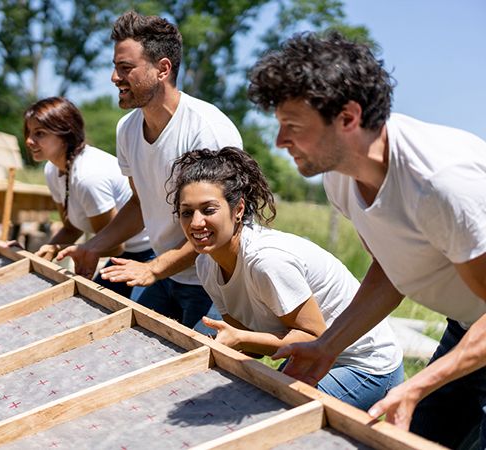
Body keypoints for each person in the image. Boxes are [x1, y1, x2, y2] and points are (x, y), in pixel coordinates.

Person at [247, 31, 486, 447]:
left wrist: (416, 384)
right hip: (469, 330)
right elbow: (390, 273)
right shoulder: (341, 178)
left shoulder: (442, 184)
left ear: (348, 118)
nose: (280, 141)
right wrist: (327, 346)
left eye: (293, 126)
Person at [168, 147, 403, 411]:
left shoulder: (267, 261)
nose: (196, 222)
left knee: (275, 416)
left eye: (208, 210)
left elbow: (314, 339)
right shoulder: (206, 264)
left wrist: (240, 341)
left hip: (363, 364)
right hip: (310, 358)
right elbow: (250, 343)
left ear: (238, 209)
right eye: (187, 212)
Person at [57, 11, 243, 329]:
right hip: (165, 273)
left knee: (197, 375)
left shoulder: (206, 131)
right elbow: (140, 203)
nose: (114, 78)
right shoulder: (127, 129)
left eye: (125, 68)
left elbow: (219, 227)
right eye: (115, 67)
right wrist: (92, 247)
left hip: (215, 281)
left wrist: (154, 268)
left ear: (162, 69)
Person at [23, 96, 153, 299]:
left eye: (39, 133)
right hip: (120, 253)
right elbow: (71, 228)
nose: (29, 141)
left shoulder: (88, 177)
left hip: (148, 253)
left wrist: (61, 249)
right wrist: (44, 252)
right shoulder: (52, 169)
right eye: (28, 133)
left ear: (65, 133)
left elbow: (115, 245)